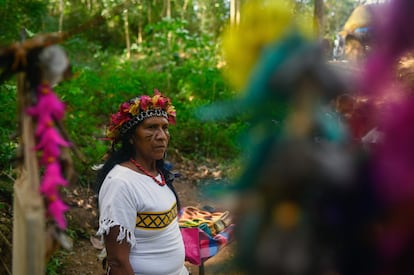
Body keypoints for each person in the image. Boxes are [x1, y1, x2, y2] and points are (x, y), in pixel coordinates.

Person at [95, 90, 188, 275]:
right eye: (151, 128)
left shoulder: (157, 172)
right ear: (131, 137)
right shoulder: (121, 183)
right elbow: (117, 261)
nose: (162, 136)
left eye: (165, 128)